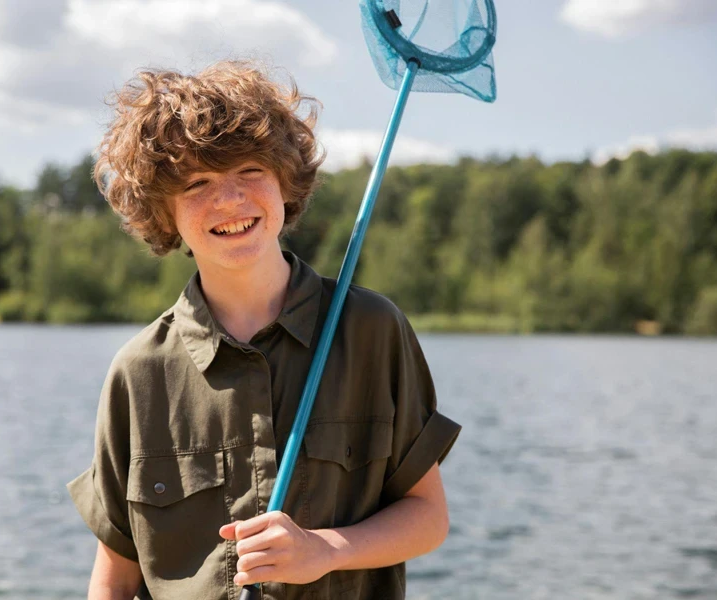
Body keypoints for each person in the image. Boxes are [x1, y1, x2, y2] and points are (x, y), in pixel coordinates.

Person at [66, 60, 462, 600]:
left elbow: (428, 516)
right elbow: (115, 577)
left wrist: (327, 550)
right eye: (197, 183)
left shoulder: (371, 330)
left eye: (250, 171)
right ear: (164, 213)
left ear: (285, 180)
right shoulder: (139, 372)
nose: (229, 200)